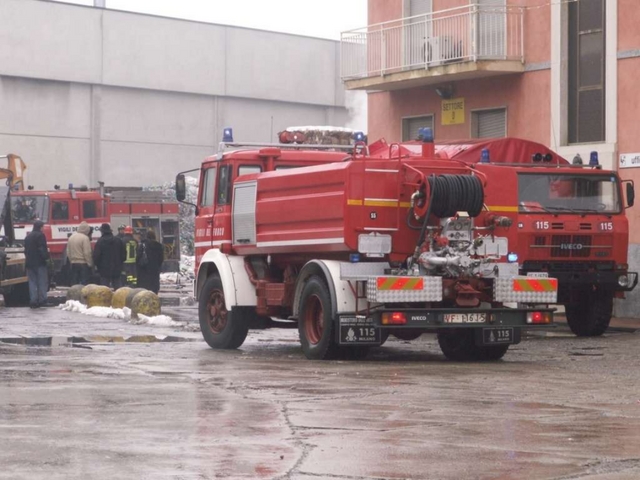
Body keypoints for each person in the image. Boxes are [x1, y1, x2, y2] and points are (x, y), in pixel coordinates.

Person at [24, 220, 49, 308]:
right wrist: (46, 258)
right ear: (40, 227)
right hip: (39, 263)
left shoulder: (28, 236)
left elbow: (25, 250)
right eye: (43, 227)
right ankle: (42, 300)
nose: (43, 228)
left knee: (32, 282)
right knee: (42, 281)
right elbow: (42, 249)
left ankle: (33, 300)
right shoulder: (41, 236)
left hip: (29, 263)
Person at [93, 223, 126, 289]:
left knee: (104, 290)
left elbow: (96, 256)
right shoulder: (118, 240)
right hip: (117, 268)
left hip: (104, 270)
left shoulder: (100, 242)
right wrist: (120, 263)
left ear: (102, 231)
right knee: (118, 289)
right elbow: (124, 255)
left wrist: (98, 266)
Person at [136, 229, 164, 294]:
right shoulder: (159, 246)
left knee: (144, 288)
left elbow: (138, 257)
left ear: (147, 236)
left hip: (144, 269)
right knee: (154, 287)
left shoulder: (143, 245)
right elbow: (161, 258)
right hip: (155, 269)